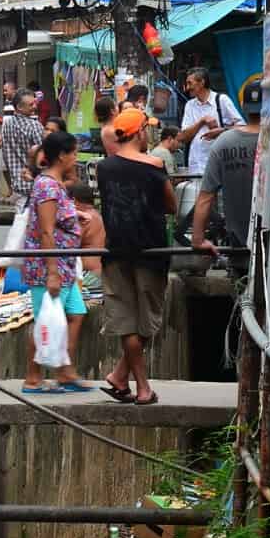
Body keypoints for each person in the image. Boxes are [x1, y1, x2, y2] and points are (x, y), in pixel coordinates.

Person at [96, 107, 176, 407]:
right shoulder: (154, 164)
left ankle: (121, 377)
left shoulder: (104, 168)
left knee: (127, 322)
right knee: (147, 321)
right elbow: (171, 205)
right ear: (140, 132)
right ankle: (142, 388)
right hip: (150, 251)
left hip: (116, 251)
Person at [21, 131, 89, 393]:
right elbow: (46, 229)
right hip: (50, 266)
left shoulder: (55, 184)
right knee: (44, 319)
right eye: (73, 153)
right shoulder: (47, 185)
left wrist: (75, 217)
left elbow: (56, 219)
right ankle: (33, 376)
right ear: (62, 155)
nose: (75, 158)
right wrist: (52, 272)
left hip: (65, 265)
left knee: (76, 313)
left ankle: (66, 371)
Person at [191, 79, 262, 273]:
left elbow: (206, 197)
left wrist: (198, 239)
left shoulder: (224, 142)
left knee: (243, 297)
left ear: (244, 108)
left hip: (238, 246)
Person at [179, 66, 242, 177]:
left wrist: (222, 131)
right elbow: (183, 137)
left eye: (190, 83)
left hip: (220, 164)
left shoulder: (221, 100)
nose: (187, 87)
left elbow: (242, 127)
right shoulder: (189, 105)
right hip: (196, 166)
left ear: (202, 82)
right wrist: (201, 121)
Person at [0, 88, 44, 207]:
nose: (35, 106)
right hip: (34, 185)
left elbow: (5, 152)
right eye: (31, 104)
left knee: (22, 221)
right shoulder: (34, 126)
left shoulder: (7, 125)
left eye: (35, 103)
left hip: (17, 185)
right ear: (19, 107)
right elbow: (44, 155)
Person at [70, 181, 105, 295]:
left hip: (90, 277)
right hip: (100, 273)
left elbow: (69, 243)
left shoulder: (84, 219)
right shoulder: (97, 215)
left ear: (74, 200)